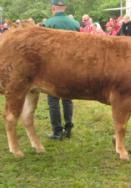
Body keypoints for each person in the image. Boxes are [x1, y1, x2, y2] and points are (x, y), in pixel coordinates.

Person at [44, 0, 80, 140]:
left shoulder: (48, 24)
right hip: (71, 67)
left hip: (53, 68)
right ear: (64, 7)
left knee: (53, 100)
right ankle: (69, 127)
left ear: (53, 8)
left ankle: (57, 131)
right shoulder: (75, 24)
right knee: (68, 98)